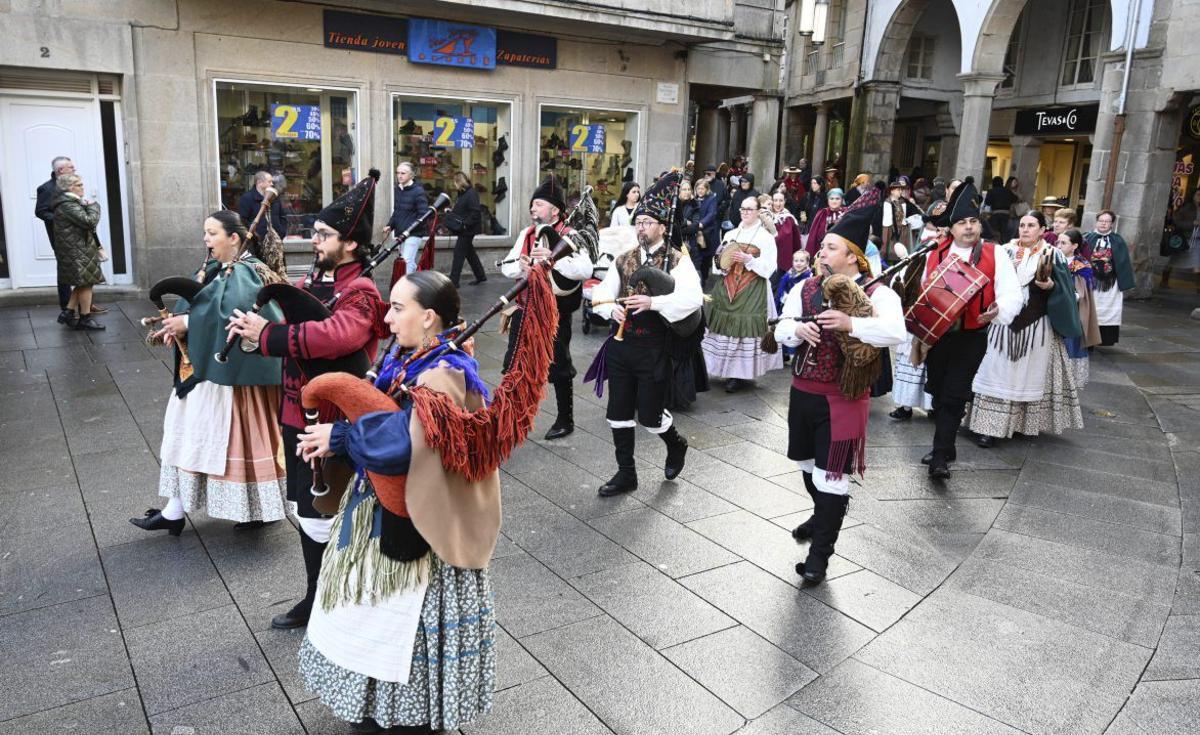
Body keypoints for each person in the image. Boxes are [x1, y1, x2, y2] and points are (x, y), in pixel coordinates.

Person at [295, 271, 501, 734]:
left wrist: (342, 434)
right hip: (386, 508)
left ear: (429, 317)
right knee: (372, 619)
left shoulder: (445, 372)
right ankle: (376, 705)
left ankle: (406, 715)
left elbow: (408, 442)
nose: (387, 319)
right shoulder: (416, 359)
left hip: (421, 526)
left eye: (397, 308)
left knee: (403, 626)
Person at [227, 170, 386, 631]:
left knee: (331, 505)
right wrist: (253, 329)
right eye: (314, 231)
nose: (314, 240)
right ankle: (318, 595)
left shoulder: (361, 290)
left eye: (324, 234)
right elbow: (284, 303)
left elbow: (338, 336)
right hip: (297, 411)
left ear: (351, 244)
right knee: (305, 505)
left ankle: (344, 596)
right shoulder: (315, 278)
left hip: (335, 419)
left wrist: (270, 335)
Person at [774, 192, 906, 584]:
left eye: (831, 246)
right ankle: (823, 514)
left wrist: (852, 325)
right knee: (807, 466)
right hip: (802, 391)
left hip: (843, 398)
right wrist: (797, 330)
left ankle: (819, 559)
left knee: (832, 477)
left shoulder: (879, 292)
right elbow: (780, 325)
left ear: (852, 255)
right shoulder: (806, 287)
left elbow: (896, 333)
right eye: (823, 245)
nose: (821, 251)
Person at [131, 211, 287, 535]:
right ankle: (174, 510)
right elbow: (198, 301)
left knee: (227, 441)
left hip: (231, 379)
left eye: (212, 233)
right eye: (204, 232)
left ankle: (255, 509)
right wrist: (175, 326)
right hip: (205, 374)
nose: (206, 239)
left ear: (234, 238)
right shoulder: (217, 269)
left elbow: (235, 313)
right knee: (186, 436)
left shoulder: (250, 273)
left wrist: (187, 323)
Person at [589, 172, 703, 496]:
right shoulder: (624, 259)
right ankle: (626, 474)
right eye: (638, 221)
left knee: (651, 418)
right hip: (622, 346)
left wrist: (654, 301)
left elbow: (693, 299)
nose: (641, 227)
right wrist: (607, 309)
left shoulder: (678, 260)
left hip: (655, 348)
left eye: (648, 222)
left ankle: (676, 443)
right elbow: (599, 294)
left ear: (662, 227)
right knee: (618, 413)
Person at [919, 178, 1021, 479]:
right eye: (962, 222)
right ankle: (946, 445)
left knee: (954, 394)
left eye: (973, 221)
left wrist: (999, 309)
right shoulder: (935, 254)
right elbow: (924, 292)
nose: (969, 227)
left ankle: (940, 457)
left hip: (972, 336)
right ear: (950, 227)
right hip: (939, 336)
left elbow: (1012, 293)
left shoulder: (995, 254)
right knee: (937, 391)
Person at [966, 211, 1083, 444]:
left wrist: (1051, 287)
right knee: (995, 372)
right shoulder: (1004, 252)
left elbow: (1066, 293)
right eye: (1022, 225)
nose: (1025, 229)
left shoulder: (1054, 254)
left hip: (1035, 326)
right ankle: (989, 428)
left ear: (1042, 230)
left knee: (1026, 376)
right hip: (1002, 322)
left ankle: (1020, 424)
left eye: (1031, 225)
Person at [499, 177, 594, 441]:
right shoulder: (526, 234)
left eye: (538, 204)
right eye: (532, 204)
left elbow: (585, 269)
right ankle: (510, 417)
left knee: (559, 364)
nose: (533, 209)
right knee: (513, 363)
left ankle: (566, 419)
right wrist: (522, 266)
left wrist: (552, 261)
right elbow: (507, 266)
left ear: (555, 210)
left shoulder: (570, 234)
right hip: (524, 307)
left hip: (555, 312)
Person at [702, 195, 782, 392]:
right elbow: (719, 262)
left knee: (744, 328)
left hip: (753, 288)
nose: (745, 212)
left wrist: (749, 260)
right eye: (742, 209)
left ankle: (737, 374)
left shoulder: (765, 237)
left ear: (757, 212)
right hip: (727, 287)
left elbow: (771, 268)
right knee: (722, 326)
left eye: (749, 209)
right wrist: (723, 266)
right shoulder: (731, 234)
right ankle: (720, 368)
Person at [890, 203, 947, 421]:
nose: (939, 230)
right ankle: (905, 405)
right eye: (935, 224)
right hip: (917, 304)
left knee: (932, 359)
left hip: (939, 308)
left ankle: (932, 405)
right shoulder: (925, 244)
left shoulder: (952, 250)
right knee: (909, 356)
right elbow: (910, 270)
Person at [36, 156, 103, 322]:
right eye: (71, 167)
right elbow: (41, 211)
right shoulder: (47, 188)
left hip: (79, 236)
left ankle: (79, 307)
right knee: (67, 274)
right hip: (64, 239)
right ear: (60, 170)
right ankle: (68, 308)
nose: (74, 169)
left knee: (84, 274)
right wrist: (62, 219)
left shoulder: (72, 186)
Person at [51, 173, 107, 331]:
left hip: (79, 250)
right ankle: (85, 318)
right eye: (80, 185)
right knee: (86, 282)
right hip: (77, 252)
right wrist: (94, 205)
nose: (83, 187)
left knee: (85, 282)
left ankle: (68, 312)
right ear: (70, 187)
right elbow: (89, 221)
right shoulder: (68, 205)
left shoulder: (71, 202)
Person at [1057, 228, 1102, 387]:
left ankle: (1067, 381)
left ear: (1074, 245)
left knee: (1070, 344)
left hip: (1072, 312)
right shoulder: (1054, 259)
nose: (1059, 245)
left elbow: (1081, 293)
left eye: (1063, 243)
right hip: (1053, 309)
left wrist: (1066, 298)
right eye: (1058, 242)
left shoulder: (1081, 266)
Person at [1084, 210, 1136, 345]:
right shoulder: (1087, 238)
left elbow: (1123, 262)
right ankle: (1087, 337)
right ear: (1097, 221)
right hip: (1091, 281)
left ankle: (1104, 339)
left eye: (1107, 221)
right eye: (1101, 220)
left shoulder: (1117, 240)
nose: (1103, 223)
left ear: (1111, 224)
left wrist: (1123, 281)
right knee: (1089, 308)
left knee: (1107, 309)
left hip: (1110, 283)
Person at [384, 162, 429, 270]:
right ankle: (417, 283)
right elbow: (397, 211)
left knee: (406, 261)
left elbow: (424, 215)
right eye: (398, 173)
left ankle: (406, 286)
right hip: (401, 233)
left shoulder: (418, 191)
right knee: (408, 262)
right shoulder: (398, 189)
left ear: (411, 175)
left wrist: (410, 229)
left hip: (413, 233)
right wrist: (390, 225)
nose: (399, 175)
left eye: (403, 173)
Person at [447, 171, 486, 287]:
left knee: (458, 253)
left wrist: (465, 224)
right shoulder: (462, 193)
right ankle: (480, 276)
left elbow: (475, 212)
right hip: (464, 228)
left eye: (455, 182)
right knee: (469, 253)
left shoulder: (471, 193)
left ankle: (454, 281)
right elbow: (462, 210)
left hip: (468, 229)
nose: (454, 185)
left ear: (460, 182)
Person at [773, 250, 813, 364]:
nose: (798, 263)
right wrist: (782, 296)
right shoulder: (789, 274)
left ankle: (794, 355)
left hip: (800, 306)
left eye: (802, 261)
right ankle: (784, 353)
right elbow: (782, 288)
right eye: (796, 260)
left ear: (807, 263)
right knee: (784, 323)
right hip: (785, 303)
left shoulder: (808, 276)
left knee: (796, 327)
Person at [1163, 188, 1200, 292]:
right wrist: (1192, 223)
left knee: (1197, 265)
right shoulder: (1187, 208)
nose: (1199, 197)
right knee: (1173, 261)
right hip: (1184, 239)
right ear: (1193, 195)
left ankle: (1198, 287)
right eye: (1198, 194)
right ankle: (1164, 281)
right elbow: (1176, 222)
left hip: (1197, 241)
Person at [882, 176, 922, 263]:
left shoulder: (910, 204)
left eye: (904, 189)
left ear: (908, 190)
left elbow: (918, 219)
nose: (902, 192)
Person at [768, 191, 803, 287]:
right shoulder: (766, 215)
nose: (778, 204)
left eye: (781, 200)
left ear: (785, 202)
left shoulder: (788, 218)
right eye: (775, 200)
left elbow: (791, 239)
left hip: (781, 259)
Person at [237, 170, 284, 240]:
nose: (272, 184)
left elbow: (282, 217)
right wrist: (255, 236)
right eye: (269, 181)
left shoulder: (275, 198)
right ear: (259, 182)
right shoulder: (247, 198)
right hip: (256, 243)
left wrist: (282, 232)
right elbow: (243, 221)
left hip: (276, 242)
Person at [693, 178, 720, 287]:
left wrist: (701, 224)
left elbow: (711, 214)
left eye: (702, 188)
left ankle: (703, 280)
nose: (700, 191)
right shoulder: (693, 199)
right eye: (698, 188)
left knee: (705, 258)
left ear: (707, 189)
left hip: (707, 232)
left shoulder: (711, 199)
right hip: (694, 232)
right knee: (696, 257)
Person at [805, 187, 846, 257]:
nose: (834, 201)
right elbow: (813, 235)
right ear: (828, 200)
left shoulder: (847, 213)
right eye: (831, 198)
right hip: (823, 252)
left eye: (837, 199)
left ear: (842, 200)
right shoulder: (822, 213)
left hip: (842, 253)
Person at [983, 176, 1016, 247]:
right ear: (1002, 183)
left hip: (995, 214)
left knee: (995, 233)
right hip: (1006, 215)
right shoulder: (1007, 191)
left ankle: (995, 246)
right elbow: (1015, 199)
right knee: (1005, 233)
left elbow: (987, 202)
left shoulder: (991, 191)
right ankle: (1004, 246)